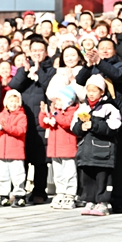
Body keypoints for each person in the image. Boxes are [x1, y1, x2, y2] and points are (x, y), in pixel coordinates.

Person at [7, 36, 56, 205]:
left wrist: (38, 70)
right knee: (22, 158)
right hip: (24, 120)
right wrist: (25, 71)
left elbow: (49, 86)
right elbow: (13, 86)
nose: (37, 53)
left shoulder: (50, 70)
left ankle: (39, 192)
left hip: (41, 120)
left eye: (40, 51)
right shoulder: (24, 69)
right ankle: (20, 191)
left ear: (46, 52)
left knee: (41, 160)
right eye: (34, 50)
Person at [73, 76, 122, 216]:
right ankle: (90, 200)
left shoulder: (109, 108)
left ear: (102, 92)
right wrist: (80, 127)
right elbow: (73, 127)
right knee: (87, 177)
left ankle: (103, 202)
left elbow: (113, 127)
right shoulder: (83, 108)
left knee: (103, 177)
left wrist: (94, 125)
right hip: (86, 151)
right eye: (89, 90)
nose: (91, 94)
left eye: (94, 91)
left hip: (103, 152)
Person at [40, 81, 79, 210]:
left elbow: (66, 123)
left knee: (69, 173)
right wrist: (44, 113)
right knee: (58, 173)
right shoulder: (56, 112)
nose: (56, 103)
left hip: (67, 148)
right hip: (55, 148)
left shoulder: (72, 111)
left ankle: (70, 194)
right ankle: (60, 192)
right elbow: (44, 124)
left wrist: (56, 115)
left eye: (59, 101)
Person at [0, 90, 29, 208]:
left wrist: (6, 127)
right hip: (1, 152)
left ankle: (19, 196)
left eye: (16, 101)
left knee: (18, 175)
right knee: (1, 175)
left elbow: (20, 130)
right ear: (6, 103)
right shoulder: (0, 115)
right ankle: (3, 196)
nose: (13, 104)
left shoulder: (22, 116)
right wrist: (0, 127)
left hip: (15, 152)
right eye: (11, 101)